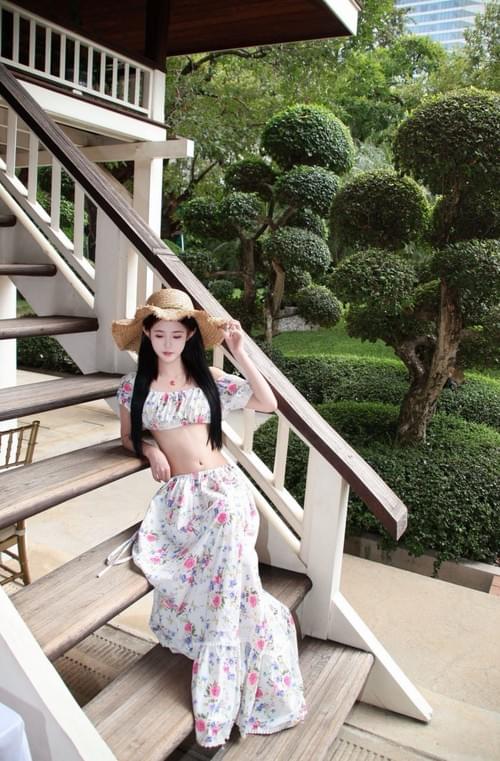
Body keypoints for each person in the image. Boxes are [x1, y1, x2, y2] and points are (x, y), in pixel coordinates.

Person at [107, 288, 306, 748]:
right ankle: (224, 649)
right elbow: (126, 436)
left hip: (225, 489)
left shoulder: (210, 378)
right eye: (160, 334)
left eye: (177, 335)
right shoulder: (134, 387)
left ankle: (225, 655)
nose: (168, 343)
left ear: (190, 335)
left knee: (229, 522)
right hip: (183, 500)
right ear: (147, 335)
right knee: (229, 566)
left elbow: (266, 402)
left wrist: (239, 351)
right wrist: (150, 448)